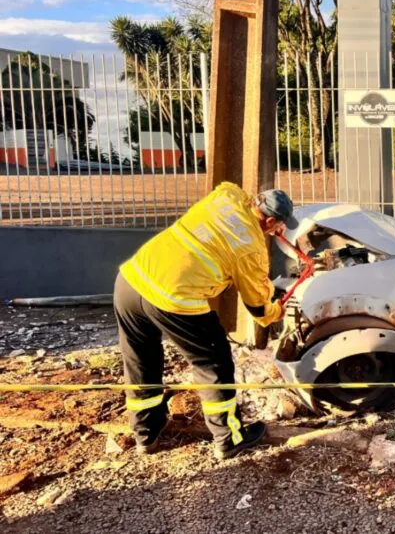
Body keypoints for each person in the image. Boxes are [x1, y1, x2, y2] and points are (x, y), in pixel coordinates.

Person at [113, 182, 295, 460]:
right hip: (173, 298)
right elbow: (259, 308)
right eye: (275, 225)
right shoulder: (251, 250)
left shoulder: (228, 196)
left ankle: (145, 434)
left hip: (132, 279)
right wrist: (277, 310)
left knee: (140, 358)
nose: (275, 230)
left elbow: (230, 189)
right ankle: (228, 438)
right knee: (213, 361)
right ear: (270, 221)